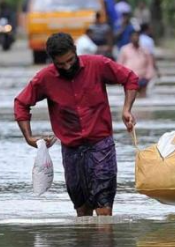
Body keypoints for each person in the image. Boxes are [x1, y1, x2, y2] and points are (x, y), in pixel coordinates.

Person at [14, 33, 139, 217]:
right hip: (71, 150)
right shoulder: (45, 78)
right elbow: (21, 103)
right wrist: (29, 138)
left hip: (101, 146)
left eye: (70, 60)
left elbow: (130, 78)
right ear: (53, 61)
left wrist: (126, 109)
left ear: (75, 51)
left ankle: (105, 243)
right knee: (82, 210)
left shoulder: (97, 65)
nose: (67, 66)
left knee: (104, 208)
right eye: (61, 64)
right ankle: (83, 245)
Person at [117, 30, 155, 97]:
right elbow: (119, 65)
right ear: (130, 38)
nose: (135, 38)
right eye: (133, 36)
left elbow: (150, 64)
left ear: (139, 37)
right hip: (129, 79)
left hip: (143, 78)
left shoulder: (145, 50)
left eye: (137, 36)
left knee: (143, 97)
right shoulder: (124, 49)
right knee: (130, 98)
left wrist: (148, 77)